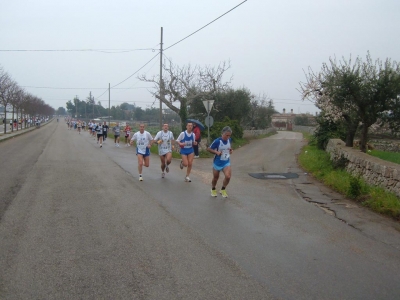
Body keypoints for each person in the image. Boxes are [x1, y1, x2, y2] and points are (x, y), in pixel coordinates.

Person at [207, 126, 233, 198]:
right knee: (215, 178)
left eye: (229, 135)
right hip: (217, 162)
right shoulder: (217, 141)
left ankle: (223, 189)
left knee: (228, 176)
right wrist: (216, 152)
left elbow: (229, 148)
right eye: (226, 135)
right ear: (222, 134)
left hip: (226, 161)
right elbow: (208, 149)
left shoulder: (229, 140)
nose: (228, 137)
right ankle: (213, 189)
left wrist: (231, 150)